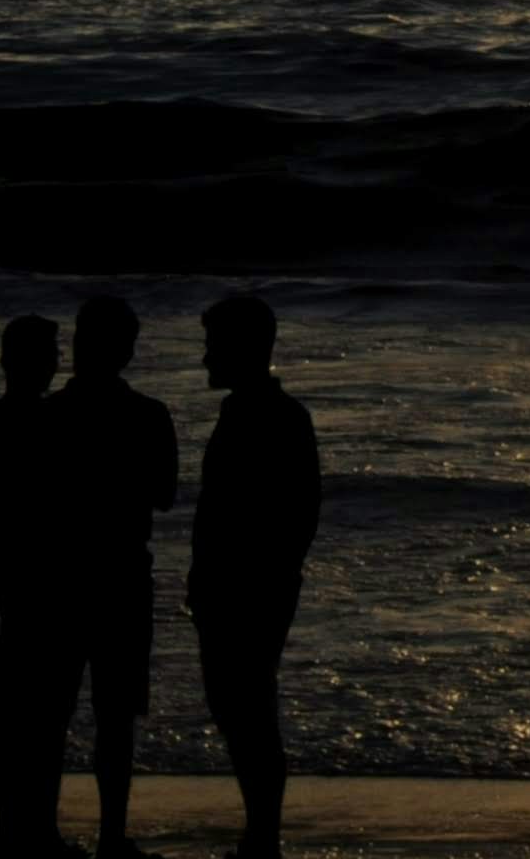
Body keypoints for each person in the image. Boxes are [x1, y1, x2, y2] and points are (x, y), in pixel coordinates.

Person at [189, 294, 320, 859]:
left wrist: (264, 573)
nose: (204, 358)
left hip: (250, 587)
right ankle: (260, 832)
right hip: (240, 584)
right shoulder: (253, 412)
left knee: (247, 708)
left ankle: (263, 836)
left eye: (214, 345)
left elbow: (296, 511)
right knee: (240, 705)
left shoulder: (275, 416)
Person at [50, 296, 178, 859]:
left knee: (52, 710)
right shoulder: (149, 415)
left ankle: (44, 830)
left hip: (61, 576)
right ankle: (110, 836)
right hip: (122, 575)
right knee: (115, 716)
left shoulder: (49, 416)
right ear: (127, 351)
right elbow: (165, 494)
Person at [0, 315, 78, 859]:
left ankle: (21, 829)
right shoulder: (30, 421)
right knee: (39, 711)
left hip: (20, 576)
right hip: (37, 580)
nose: (55, 363)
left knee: (26, 708)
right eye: (49, 354)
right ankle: (31, 829)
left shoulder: (12, 418)